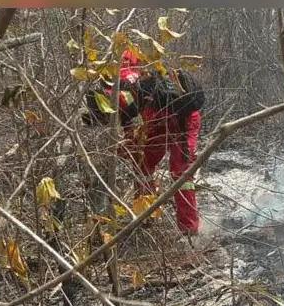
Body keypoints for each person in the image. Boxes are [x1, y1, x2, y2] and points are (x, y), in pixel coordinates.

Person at [85, 49, 205, 235]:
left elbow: (128, 117)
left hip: (182, 121)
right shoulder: (127, 80)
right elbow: (130, 128)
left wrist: (123, 146)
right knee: (142, 164)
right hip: (155, 121)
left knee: (181, 173)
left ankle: (189, 230)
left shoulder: (128, 84)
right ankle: (146, 214)